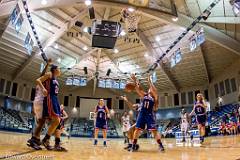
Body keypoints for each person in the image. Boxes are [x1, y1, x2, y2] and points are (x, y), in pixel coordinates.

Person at [130, 74, 164, 152]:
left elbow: (153, 88)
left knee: (154, 131)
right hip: (142, 114)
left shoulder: (154, 96)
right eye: (149, 89)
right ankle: (133, 145)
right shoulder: (144, 95)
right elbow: (137, 89)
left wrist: (149, 81)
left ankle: (160, 145)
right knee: (137, 130)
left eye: (151, 89)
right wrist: (135, 80)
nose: (150, 89)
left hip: (149, 114)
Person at [27, 59, 52, 150]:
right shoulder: (42, 83)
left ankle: (36, 139)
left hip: (37, 103)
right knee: (41, 122)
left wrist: (47, 65)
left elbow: (42, 74)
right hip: (40, 103)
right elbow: (43, 74)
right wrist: (47, 65)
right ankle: (33, 139)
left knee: (41, 122)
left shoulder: (41, 83)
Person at [38, 64, 63, 150]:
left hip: (55, 99)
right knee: (56, 120)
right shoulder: (49, 74)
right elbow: (38, 80)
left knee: (57, 122)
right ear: (55, 69)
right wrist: (43, 89)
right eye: (59, 68)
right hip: (50, 98)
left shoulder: (56, 79)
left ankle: (47, 140)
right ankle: (45, 139)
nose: (60, 70)